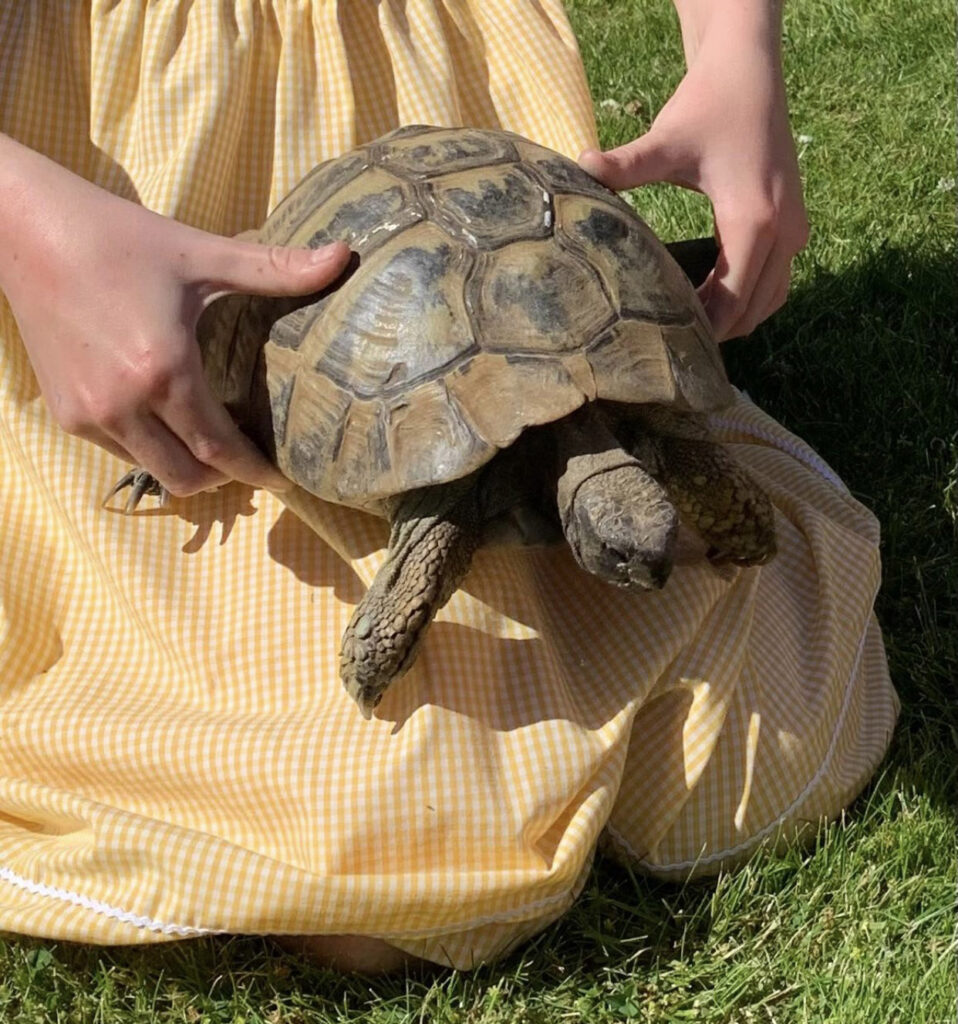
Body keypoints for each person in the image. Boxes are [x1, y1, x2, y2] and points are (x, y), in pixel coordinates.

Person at [0, 1, 896, 972]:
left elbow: (681, 474)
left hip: (467, 145)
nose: (637, 561)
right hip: (112, 192)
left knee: (756, 746)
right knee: (376, 844)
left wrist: (735, 54)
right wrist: (27, 226)